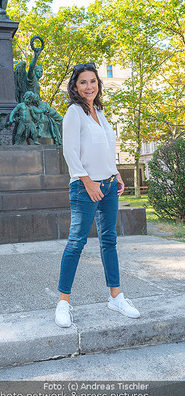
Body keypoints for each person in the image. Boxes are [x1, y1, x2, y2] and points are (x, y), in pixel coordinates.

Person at [55, 62, 140, 328]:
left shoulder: (99, 112)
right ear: (75, 86)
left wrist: (115, 174)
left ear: (98, 85)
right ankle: (63, 303)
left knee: (109, 241)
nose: (89, 86)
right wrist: (88, 181)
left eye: (93, 81)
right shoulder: (73, 113)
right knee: (76, 243)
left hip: (108, 185)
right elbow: (70, 151)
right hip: (85, 187)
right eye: (83, 82)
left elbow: (104, 148)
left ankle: (115, 297)